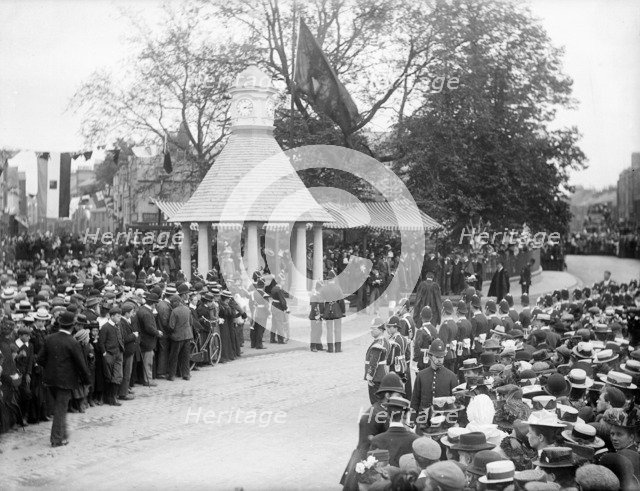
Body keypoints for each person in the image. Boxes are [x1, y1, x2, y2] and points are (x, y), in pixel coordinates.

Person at [37, 311, 91, 447]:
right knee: (60, 410)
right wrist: (86, 380)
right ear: (72, 326)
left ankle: (63, 434)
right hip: (66, 382)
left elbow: (40, 359)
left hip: (50, 380)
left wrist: (50, 368)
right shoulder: (72, 342)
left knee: (60, 407)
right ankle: (56, 439)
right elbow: (81, 364)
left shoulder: (49, 338)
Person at [410, 339, 457, 432]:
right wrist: (412, 419)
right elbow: (415, 399)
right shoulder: (421, 375)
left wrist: (453, 421)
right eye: (437, 356)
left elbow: (456, 402)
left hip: (443, 421)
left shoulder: (451, 376)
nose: (440, 359)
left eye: (442, 357)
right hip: (423, 420)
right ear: (430, 356)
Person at [368, 396, 418, 467]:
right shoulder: (416, 440)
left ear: (388, 415)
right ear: (406, 416)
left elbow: (372, 469)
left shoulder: (377, 440)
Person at [98, 307, 125, 406]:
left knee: (118, 376)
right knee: (108, 377)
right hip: (109, 354)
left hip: (119, 353)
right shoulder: (105, 327)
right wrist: (105, 354)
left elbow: (121, 337)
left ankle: (113, 398)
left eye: (120, 316)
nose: (119, 318)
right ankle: (108, 398)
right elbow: (101, 342)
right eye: (118, 316)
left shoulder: (119, 325)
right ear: (111, 316)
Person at [136, 292, 163, 387]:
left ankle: (143, 379)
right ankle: (148, 380)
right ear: (153, 303)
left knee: (144, 361)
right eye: (155, 304)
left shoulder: (141, 310)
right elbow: (149, 328)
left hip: (143, 340)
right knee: (148, 362)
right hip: (147, 341)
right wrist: (157, 332)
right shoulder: (147, 313)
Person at [364, 318, 390, 404]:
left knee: (375, 403)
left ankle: (378, 417)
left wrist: (370, 376)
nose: (371, 331)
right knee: (382, 401)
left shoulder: (378, 344)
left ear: (380, 329)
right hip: (383, 374)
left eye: (373, 329)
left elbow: (374, 362)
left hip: (376, 377)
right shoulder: (385, 341)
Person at [386, 316, 412, 400]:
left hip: (395, 366)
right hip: (403, 365)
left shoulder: (394, 340)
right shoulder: (403, 338)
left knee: (394, 388)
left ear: (396, 327)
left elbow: (390, 358)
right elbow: (407, 354)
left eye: (390, 327)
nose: (388, 329)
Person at [321, 271, 346, 353]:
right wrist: (343, 311)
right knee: (338, 330)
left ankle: (330, 348)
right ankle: (338, 349)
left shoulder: (324, 288)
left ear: (328, 279)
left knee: (329, 330)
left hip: (327, 309)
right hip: (337, 309)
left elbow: (321, 302)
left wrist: (322, 312)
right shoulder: (338, 288)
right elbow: (342, 301)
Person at [309, 281, 324, 352]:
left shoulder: (320, 295)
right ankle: (313, 346)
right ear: (318, 288)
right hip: (315, 317)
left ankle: (318, 345)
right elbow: (314, 308)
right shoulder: (314, 295)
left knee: (319, 331)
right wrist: (319, 316)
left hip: (319, 316)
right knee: (314, 331)